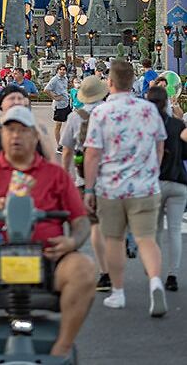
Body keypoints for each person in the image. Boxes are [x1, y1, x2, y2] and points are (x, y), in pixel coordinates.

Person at [0, 105, 95, 361]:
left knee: (84, 269)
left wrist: (71, 241)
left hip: (47, 258)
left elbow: (80, 221)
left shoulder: (55, 174)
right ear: (1, 135)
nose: (15, 136)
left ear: (35, 136)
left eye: (22, 130)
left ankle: (62, 349)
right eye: (10, 130)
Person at [83, 58, 168, 315]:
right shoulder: (148, 110)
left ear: (109, 83)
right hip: (144, 186)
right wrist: (151, 170)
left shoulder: (101, 112)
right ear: (133, 82)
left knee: (114, 240)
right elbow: (160, 146)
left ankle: (118, 292)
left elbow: (92, 154)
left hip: (112, 187)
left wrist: (89, 188)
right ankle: (155, 281)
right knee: (146, 239)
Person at [60, 75, 111, 292]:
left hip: (84, 177)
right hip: (114, 174)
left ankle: (105, 272)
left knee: (96, 225)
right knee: (116, 221)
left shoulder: (75, 117)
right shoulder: (111, 113)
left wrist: (65, 176)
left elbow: (67, 151)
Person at [146, 85, 187, 292]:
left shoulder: (146, 125)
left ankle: (155, 273)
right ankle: (173, 275)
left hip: (155, 183)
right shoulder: (178, 125)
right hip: (179, 181)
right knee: (174, 231)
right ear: (166, 102)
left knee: (155, 230)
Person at [0, 83, 56, 162]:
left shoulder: (38, 126)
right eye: (11, 98)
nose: (16, 102)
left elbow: (51, 159)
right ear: (1, 104)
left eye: (20, 98)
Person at [44, 64, 71, 149]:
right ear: (57, 70)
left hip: (66, 103)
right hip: (59, 105)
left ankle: (68, 142)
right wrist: (54, 97)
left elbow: (64, 89)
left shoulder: (65, 78)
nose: (62, 71)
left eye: (64, 69)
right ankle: (59, 145)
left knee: (71, 122)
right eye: (61, 69)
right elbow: (46, 90)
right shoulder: (54, 80)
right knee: (58, 125)